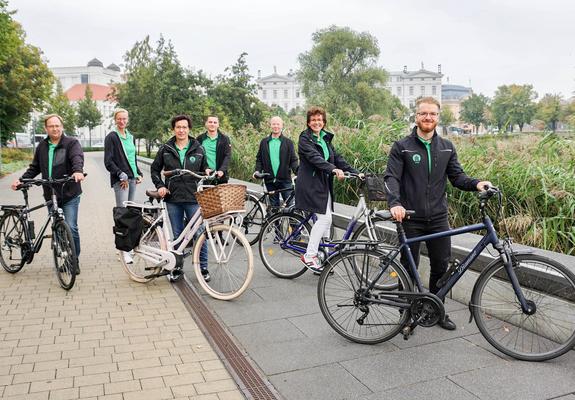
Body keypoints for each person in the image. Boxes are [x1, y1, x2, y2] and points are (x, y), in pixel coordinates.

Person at [384, 96, 492, 331]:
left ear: (438, 117)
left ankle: (436, 310)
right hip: (409, 216)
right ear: (416, 116)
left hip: (438, 217)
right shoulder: (402, 146)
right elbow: (391, 177)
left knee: (441, 266)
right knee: (407, 266)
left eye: (432, 114)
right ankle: (407, 311)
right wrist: (395, 203)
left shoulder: (446, 146)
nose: (428, 118)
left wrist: (476, 184)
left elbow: (457, 178)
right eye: (424, 113)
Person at [11, 114, 85, 272]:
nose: (55, 128)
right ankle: (62, 253)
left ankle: (74, 259)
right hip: (50, 193)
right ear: (46, 128)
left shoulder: (71, 143)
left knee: (71, 227)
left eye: (57, 125)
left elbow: (77, 158)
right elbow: (34, 167)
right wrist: (21, 180)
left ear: (62, 126)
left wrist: (78, 171)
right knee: (57, 227)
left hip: (69, 192)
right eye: (51, 126)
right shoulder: (42, 146)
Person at [296, 106, 359, 272]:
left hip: (323, 184)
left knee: (328, 220)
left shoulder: (325, 139)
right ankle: (310, 255)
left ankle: (322, 254)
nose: (317, 122)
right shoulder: (305, 139)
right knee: (324, 219)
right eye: (314, 120)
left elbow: (338, 159)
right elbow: (315, 158)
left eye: (320, 120)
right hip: (310, 184)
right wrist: (333, 169)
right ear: (309, 123)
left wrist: (356, 173)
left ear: (324, 122)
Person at [150, 115, 210, 281]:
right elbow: (155, 170)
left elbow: (205, 167)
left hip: (193, 197)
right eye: (178, 127)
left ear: (189, 129)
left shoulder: (198, 148)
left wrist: (207, 171)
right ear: (174, 129)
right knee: (177, 235)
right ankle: (177, 268)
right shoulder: (165, 148)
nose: (181, 130)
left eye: (184, 127)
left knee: (200, 234)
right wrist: (160, 186)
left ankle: (203, 268)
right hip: (173, 198)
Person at [104, 108, 143, 264]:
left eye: (124, 119)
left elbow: (132, 157)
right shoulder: (112, 137)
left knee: (131, 213)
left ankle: (130, 245)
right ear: (115, 120)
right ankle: (123, 250)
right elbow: (108, 161)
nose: (122, 121)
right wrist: (120, 173)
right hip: (121, 180)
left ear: (128, 119)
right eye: (119, 119)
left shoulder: (130, 137)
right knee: (122, 215)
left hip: (132, 179)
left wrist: (138, 172)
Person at [253, 116, 298, 208]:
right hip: (269, 180)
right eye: (273, 124)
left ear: (282, 126)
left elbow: (293, 160)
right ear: (270, 125)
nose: (276, 126)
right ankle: (274, 223)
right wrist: (257, 171)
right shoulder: (264, 142)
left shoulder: (288, 142)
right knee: (273, 207)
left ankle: (293, 223)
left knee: (290, 206)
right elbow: (259, 159)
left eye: (278, 124)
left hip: (285, 180)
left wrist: (298, 172)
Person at [196, 115, 231, 184]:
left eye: (215, 122)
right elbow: (197, 156)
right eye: (210, 122)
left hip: (220, 176)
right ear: (206, 124)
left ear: (218, 125)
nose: (212, 124)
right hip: (204, 176)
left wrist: (222, 170)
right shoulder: (200, 139)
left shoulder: (224, 139)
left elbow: (227, 156)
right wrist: (205, 168)